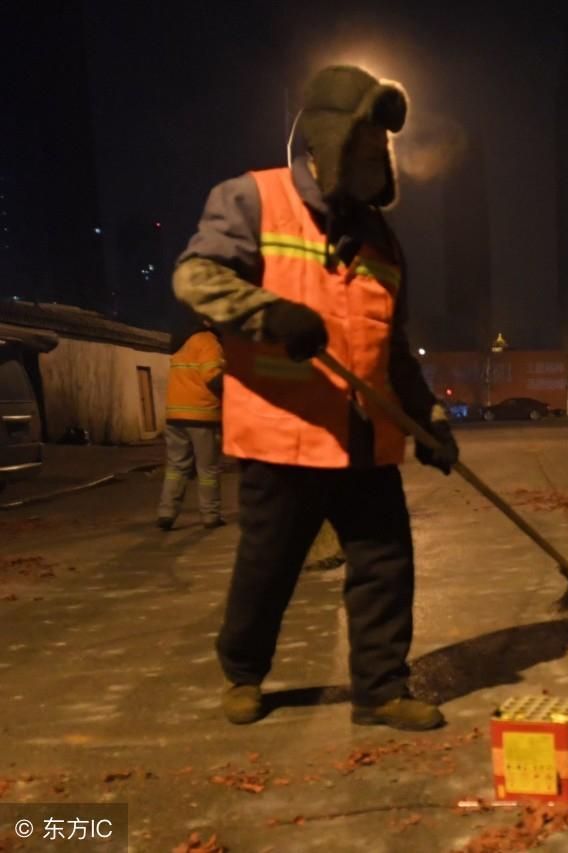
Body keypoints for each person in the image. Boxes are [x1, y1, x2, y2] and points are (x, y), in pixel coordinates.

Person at [172, 65, 459, 731]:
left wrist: (430, 420)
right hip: (285, 435)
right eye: (365, 140)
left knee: (385, 567)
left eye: (382, 144)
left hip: (366, 438)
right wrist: (268, 313)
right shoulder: (251, 199)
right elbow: (195, 277)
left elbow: (393, 347)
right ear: (329, 141)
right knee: (268, 569)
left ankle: (380, 690)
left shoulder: (383, 239)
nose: (377, 153)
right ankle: (243, 674)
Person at [157, 310, 225, 530]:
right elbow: (212, 377)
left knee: (176, 467)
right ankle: (210, 515)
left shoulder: (181, 344)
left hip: (175, 416)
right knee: (208, 470)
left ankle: (166, 513)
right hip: (202, 415)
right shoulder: (207, 341)